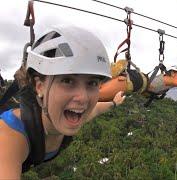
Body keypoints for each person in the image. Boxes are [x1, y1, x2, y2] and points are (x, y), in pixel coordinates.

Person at [0, 25, 125, 178]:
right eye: (67, 80)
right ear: (40, 87)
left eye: (92, 83)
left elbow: (96, 109)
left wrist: (114, 103)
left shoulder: (68, 116)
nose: (83, 98)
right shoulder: (9, 138)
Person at [99, 60, 177, 102]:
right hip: (131, 82)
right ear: (172, 73)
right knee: (95, 96)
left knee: (95, 92)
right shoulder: (169, 79)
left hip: (133, 84)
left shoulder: (166, 83)